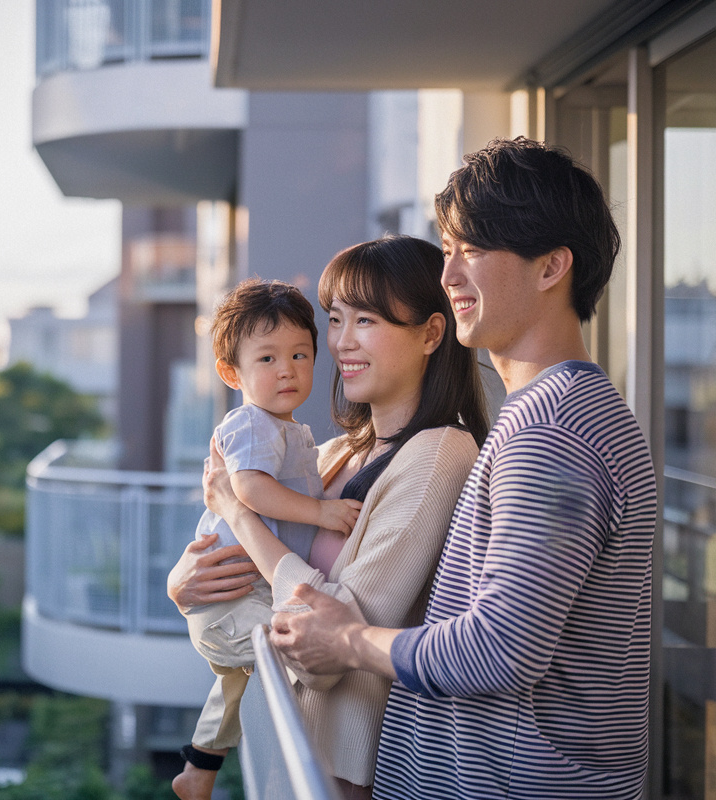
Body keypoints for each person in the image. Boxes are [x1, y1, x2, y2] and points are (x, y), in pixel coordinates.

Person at [269, 137, 657, 800]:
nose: (449, 277)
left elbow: (499, 649)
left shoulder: (552, 433)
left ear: (551, 267)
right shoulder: (556, 414)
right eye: (447, 250)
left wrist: (351, 640)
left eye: (472, 250)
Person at [171, 236, 488, 800]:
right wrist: (183, 582)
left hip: (337, 772)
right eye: (336, 319)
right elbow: (235, 531)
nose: (341, 342)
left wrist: (238, 515)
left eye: (365, 320)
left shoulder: (439, 455)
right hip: (282, 754)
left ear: (431, 334)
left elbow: (331, 652)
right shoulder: (333, 453)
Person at [177, 278, 364, 800]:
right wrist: (322, 512)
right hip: (231, 596)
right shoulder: (252, 423)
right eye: (267, 359)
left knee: (238, 683)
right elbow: (251, 490)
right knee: (298, 646)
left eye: (300, 354)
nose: (288, 369)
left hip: (243, 593)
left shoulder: (292, 432)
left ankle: (198, 771)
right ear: (231, 373)